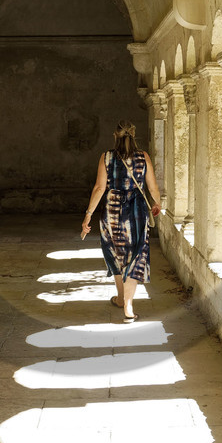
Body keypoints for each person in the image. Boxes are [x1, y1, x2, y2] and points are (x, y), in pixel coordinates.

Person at [79, 120, 162, 321]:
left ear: (115, 136)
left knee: (116, 253)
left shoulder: (106, 157)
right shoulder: (143, 157)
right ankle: (127, 305)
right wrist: (157, 204)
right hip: (136, 212)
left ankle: (121, 298)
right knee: (135, 254)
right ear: (133, 135)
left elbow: (99, 188)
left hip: (112, 211)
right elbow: (152, 187)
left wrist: (88, 215)